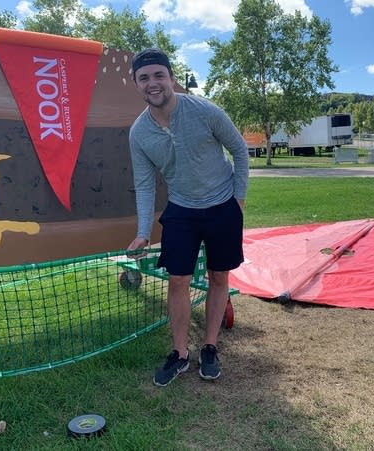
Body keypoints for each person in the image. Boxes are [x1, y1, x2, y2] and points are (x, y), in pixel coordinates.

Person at [127, 48, 249, 387]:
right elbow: (144, 181)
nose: (153, 83)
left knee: (218, 276)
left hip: (222, 202)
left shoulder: (205, 111)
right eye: (144, 78)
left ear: (171, 78)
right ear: (136, 84)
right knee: (177, 280)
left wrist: (238, 200)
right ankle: (180, 354)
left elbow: (239, 150)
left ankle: (209, 347)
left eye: (158, 75)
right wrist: (142, 232)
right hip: (181, 207)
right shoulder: (139, 133)